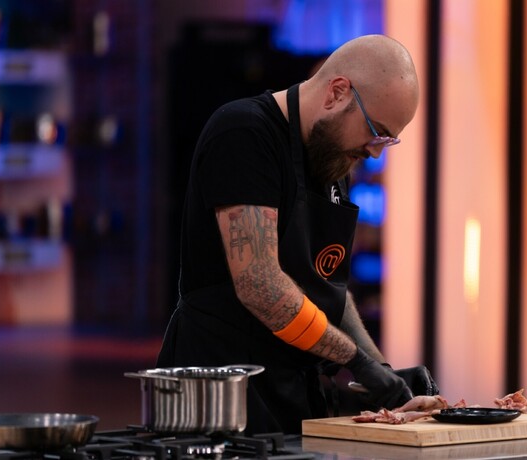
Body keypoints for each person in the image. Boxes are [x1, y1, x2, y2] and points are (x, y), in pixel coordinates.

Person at [156, 34, 438, 435]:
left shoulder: (332, 161)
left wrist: (382, 372)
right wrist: (356, 361)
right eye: (375, 131)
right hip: (218, 387)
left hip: (288, 389)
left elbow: (328, 290)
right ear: (338, 92)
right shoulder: (244, 133)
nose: (375, 152)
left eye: (387, 140)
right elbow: (260, 286)